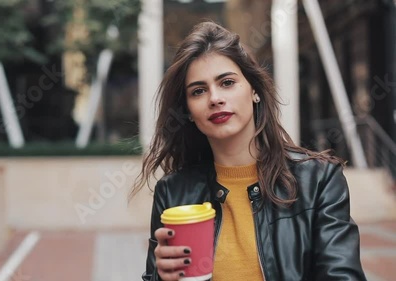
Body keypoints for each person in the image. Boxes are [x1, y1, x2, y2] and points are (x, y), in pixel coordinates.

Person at [129, 22, 366, 281]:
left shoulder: (318, 181)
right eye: (198, 91)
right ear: (188, 111)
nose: (215, 98)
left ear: (254, 90)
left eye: (227, 82)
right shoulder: (173, 192)